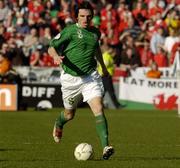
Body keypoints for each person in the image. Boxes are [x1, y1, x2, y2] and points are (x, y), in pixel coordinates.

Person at [48, 1, 114, 160]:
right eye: (82, 16)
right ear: (77, 16)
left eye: (88, 16)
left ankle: (106, 146)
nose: (85, 19)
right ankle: (59, 123)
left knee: (98, 108)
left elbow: (96, 49)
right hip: (71, 79)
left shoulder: (95, 32)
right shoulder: (70, 31)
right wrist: (56, 56)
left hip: (90, 77)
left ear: (92, 17)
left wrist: (103, 68)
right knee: (69, 115)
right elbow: (51, 46)